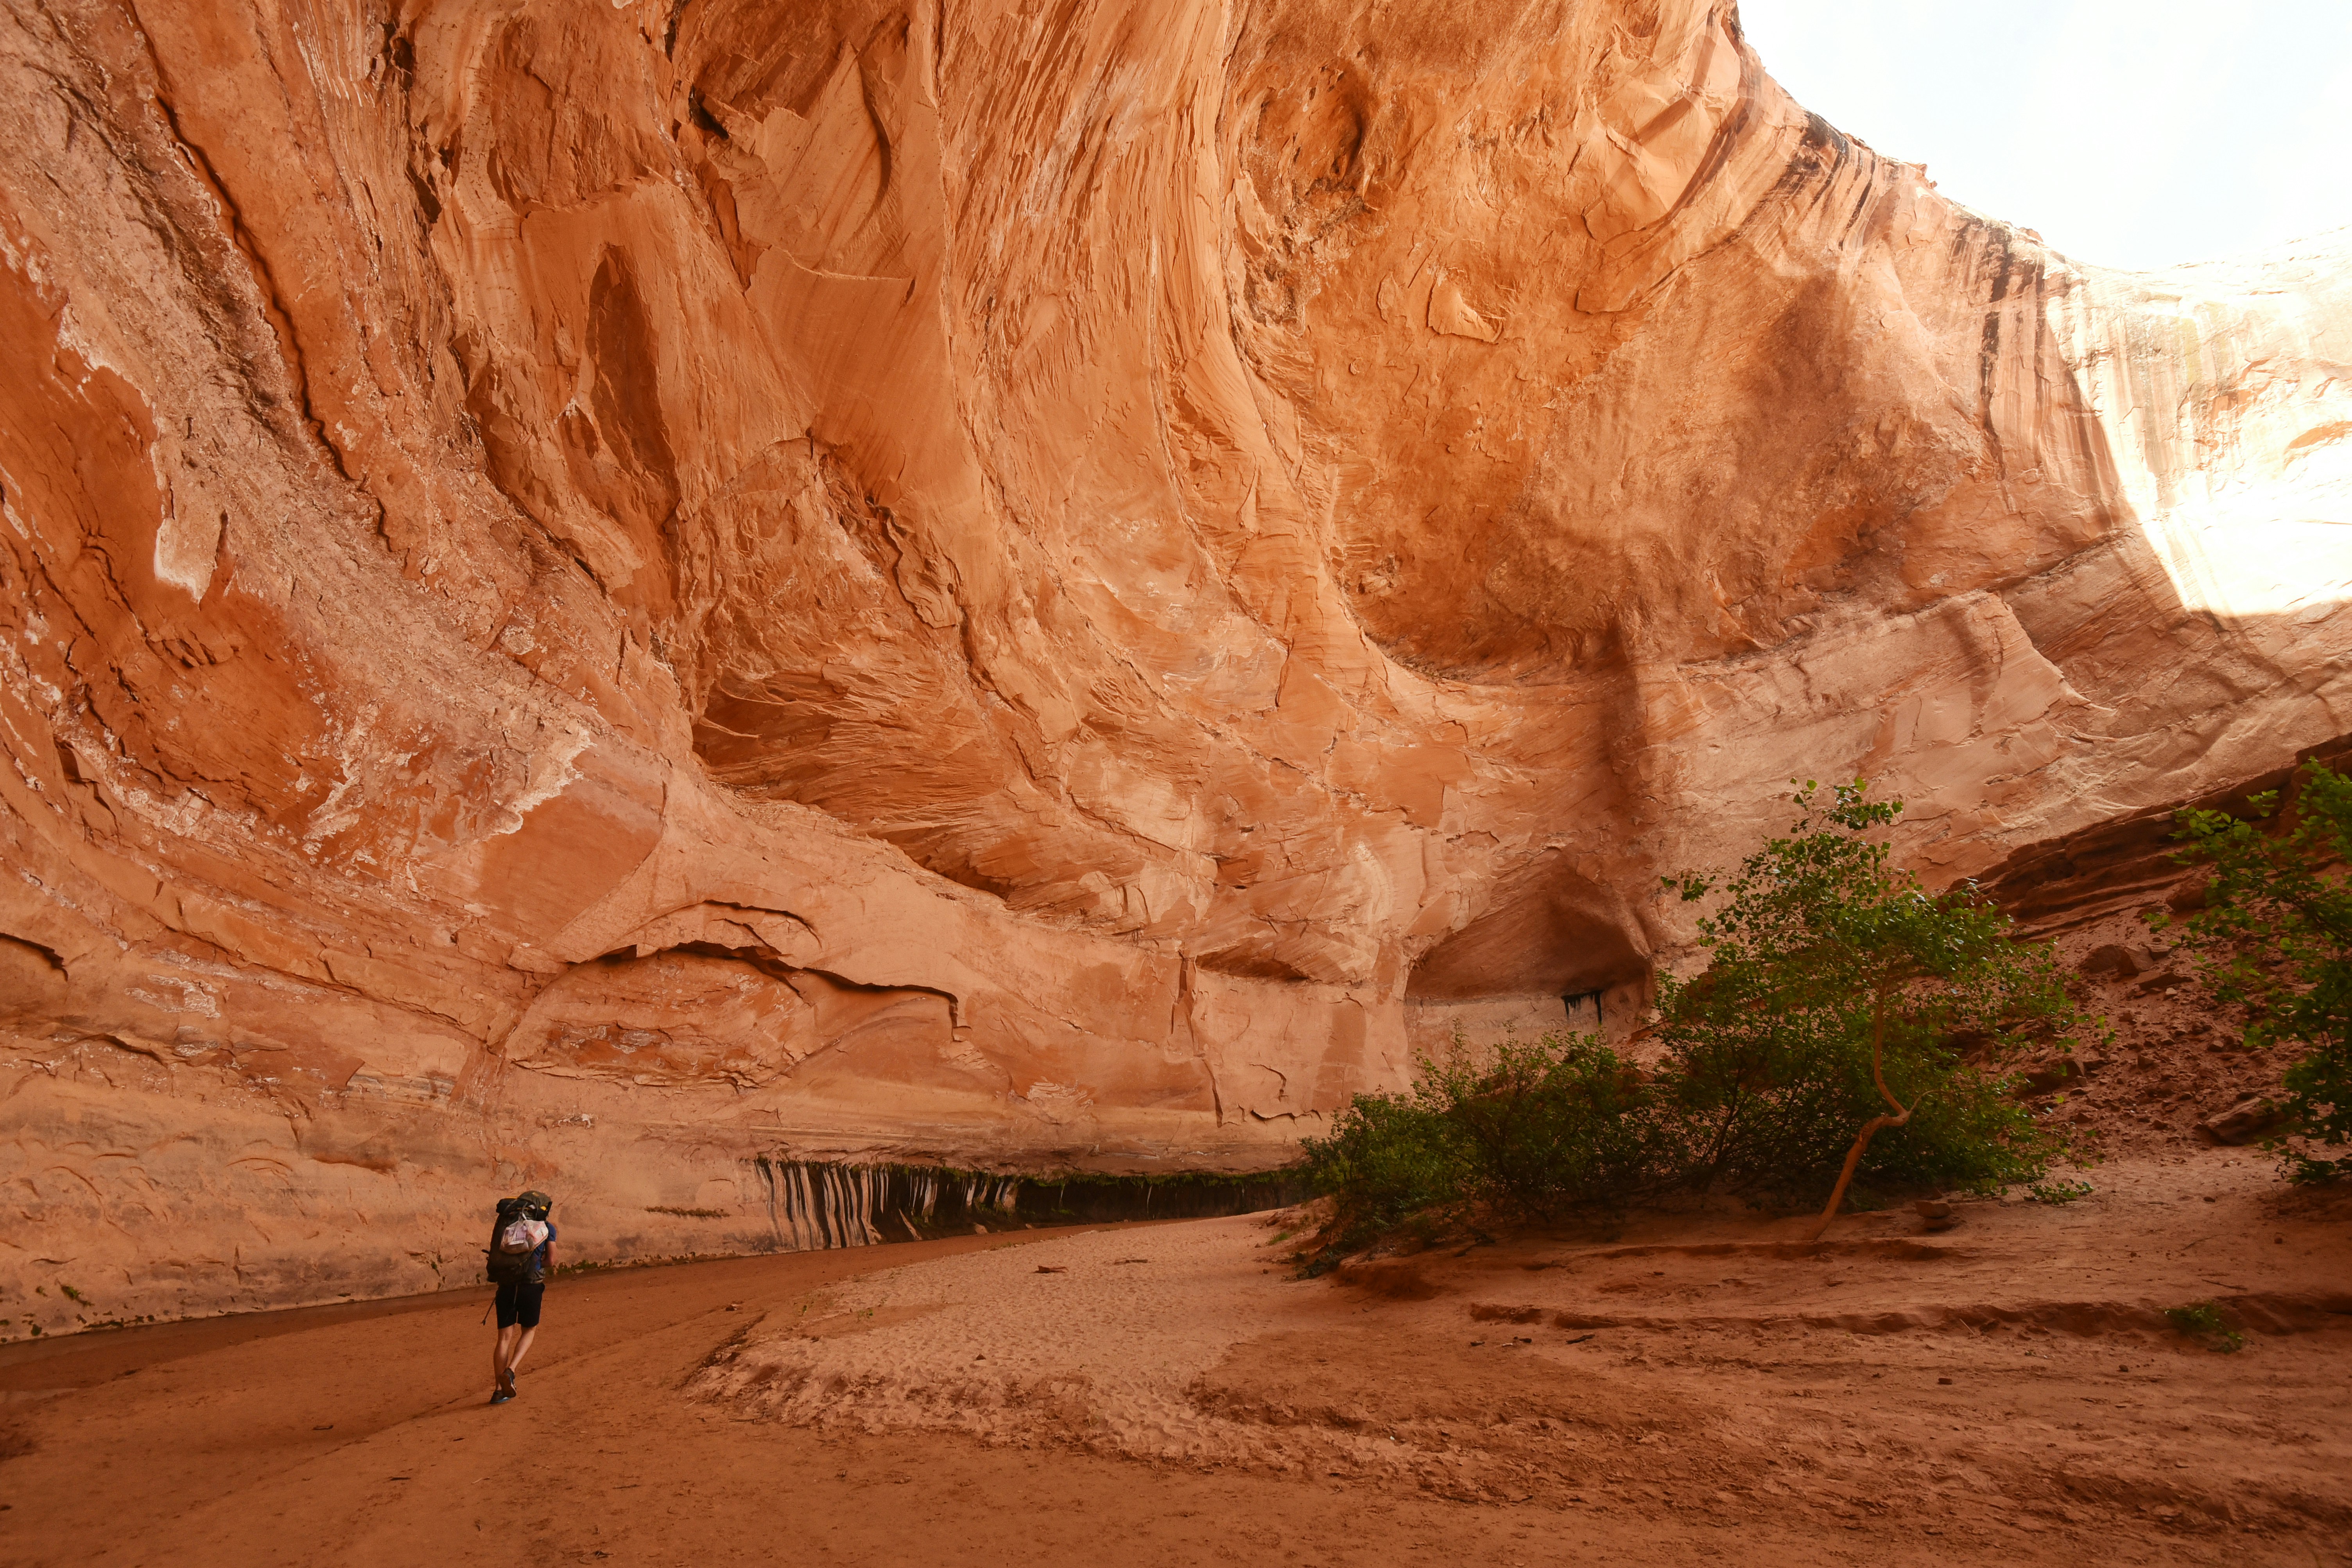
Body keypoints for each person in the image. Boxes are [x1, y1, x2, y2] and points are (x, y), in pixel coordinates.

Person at [489, 1198, 555, 1405]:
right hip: (531, 1286)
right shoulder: (547, 1227)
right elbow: (551, 1261)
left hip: (507, 1285)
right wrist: (537, 1265)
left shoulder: (507, 1224)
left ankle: (499, 1391)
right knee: (529, 1330)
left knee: (504, 1338)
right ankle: (512, 1371)